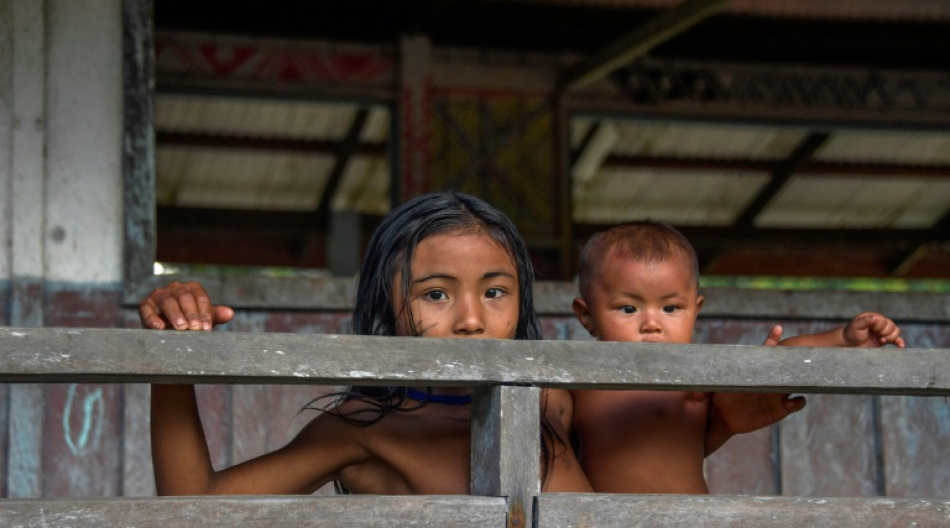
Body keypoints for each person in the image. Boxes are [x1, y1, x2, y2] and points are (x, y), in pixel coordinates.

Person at [143, 192, 591, 495]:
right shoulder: (360, 429)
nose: (471, 321)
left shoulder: (553, 403)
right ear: (385, 306)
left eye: (495, 292)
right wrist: (171, 354)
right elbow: (196, 502)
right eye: (435, 294)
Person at [569, 220, 905, 494]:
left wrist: (842, 340)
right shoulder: (578, 381)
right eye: (629, 308)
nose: (653, 324)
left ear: (695, 309)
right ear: (587, 317)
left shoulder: (698, 379)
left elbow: (779, 362)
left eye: (671, 308)